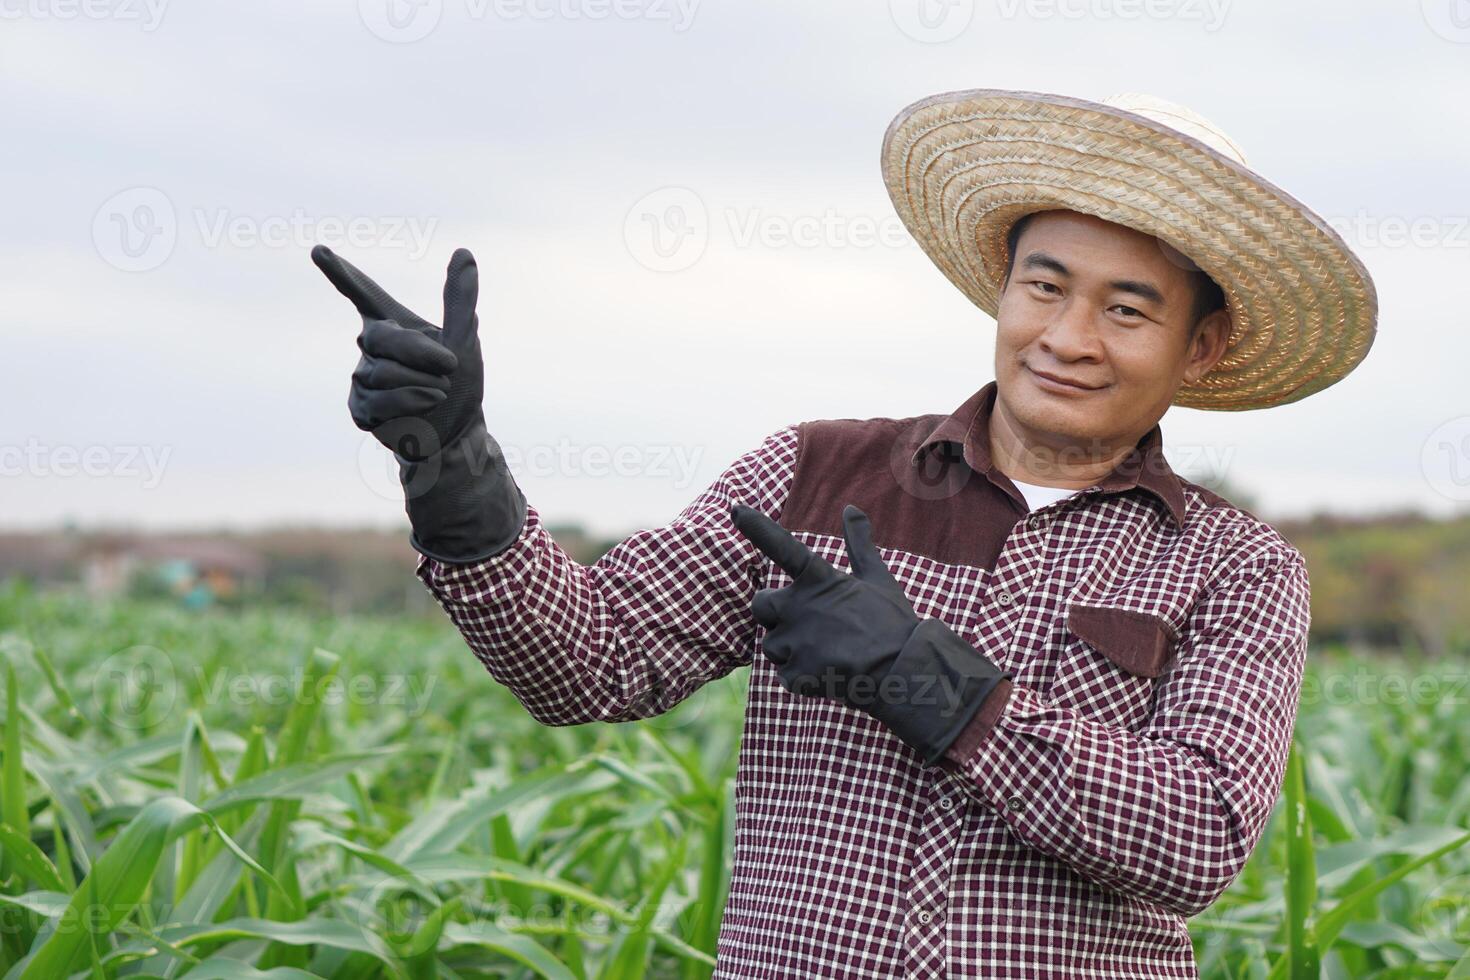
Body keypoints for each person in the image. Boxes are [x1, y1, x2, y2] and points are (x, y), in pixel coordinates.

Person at [311, 89, 1377, 978]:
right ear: (1001, 287)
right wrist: (454, 468)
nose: (1066, 337)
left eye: (1127, 310)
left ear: (1204, 344)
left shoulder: (1235, 566)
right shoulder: (816, 473)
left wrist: (935, 682)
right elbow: (590, 663)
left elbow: (1197, 836)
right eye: (1043, 286)